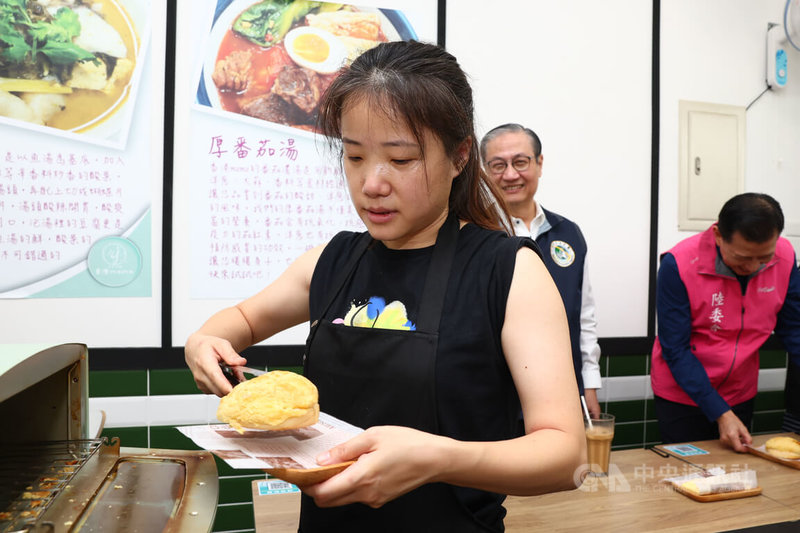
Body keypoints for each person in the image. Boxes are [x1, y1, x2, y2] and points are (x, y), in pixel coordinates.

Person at [185, 40, 586, 531]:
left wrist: (437, 458)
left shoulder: (509, 272)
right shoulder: (331, 262)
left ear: (460, 156)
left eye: (399, 160)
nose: (372, 183)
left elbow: (565, 457)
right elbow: (241, 322)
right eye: (354, 157)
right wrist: (205, 339)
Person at [651, 192, 800, 451]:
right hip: (684, 397)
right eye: (743, 258)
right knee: (690, 476)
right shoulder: (680, 264)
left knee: (735, 475)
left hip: (740, 392)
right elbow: (675, 349)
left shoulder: (785, 257)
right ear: (719, 236)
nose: (754, 267)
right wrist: (721, 412)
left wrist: (730, 410)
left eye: (764, 258)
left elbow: (794, 328)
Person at [479, 124, 603, 418]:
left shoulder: (569, 233)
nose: (510, 175)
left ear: (539, 163)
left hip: (562, 397)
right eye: (498, 165)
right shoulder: (474, 234)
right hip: (495, 400)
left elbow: (584, 316)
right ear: (483, 171)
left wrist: (590, 387)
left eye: (520, 162)